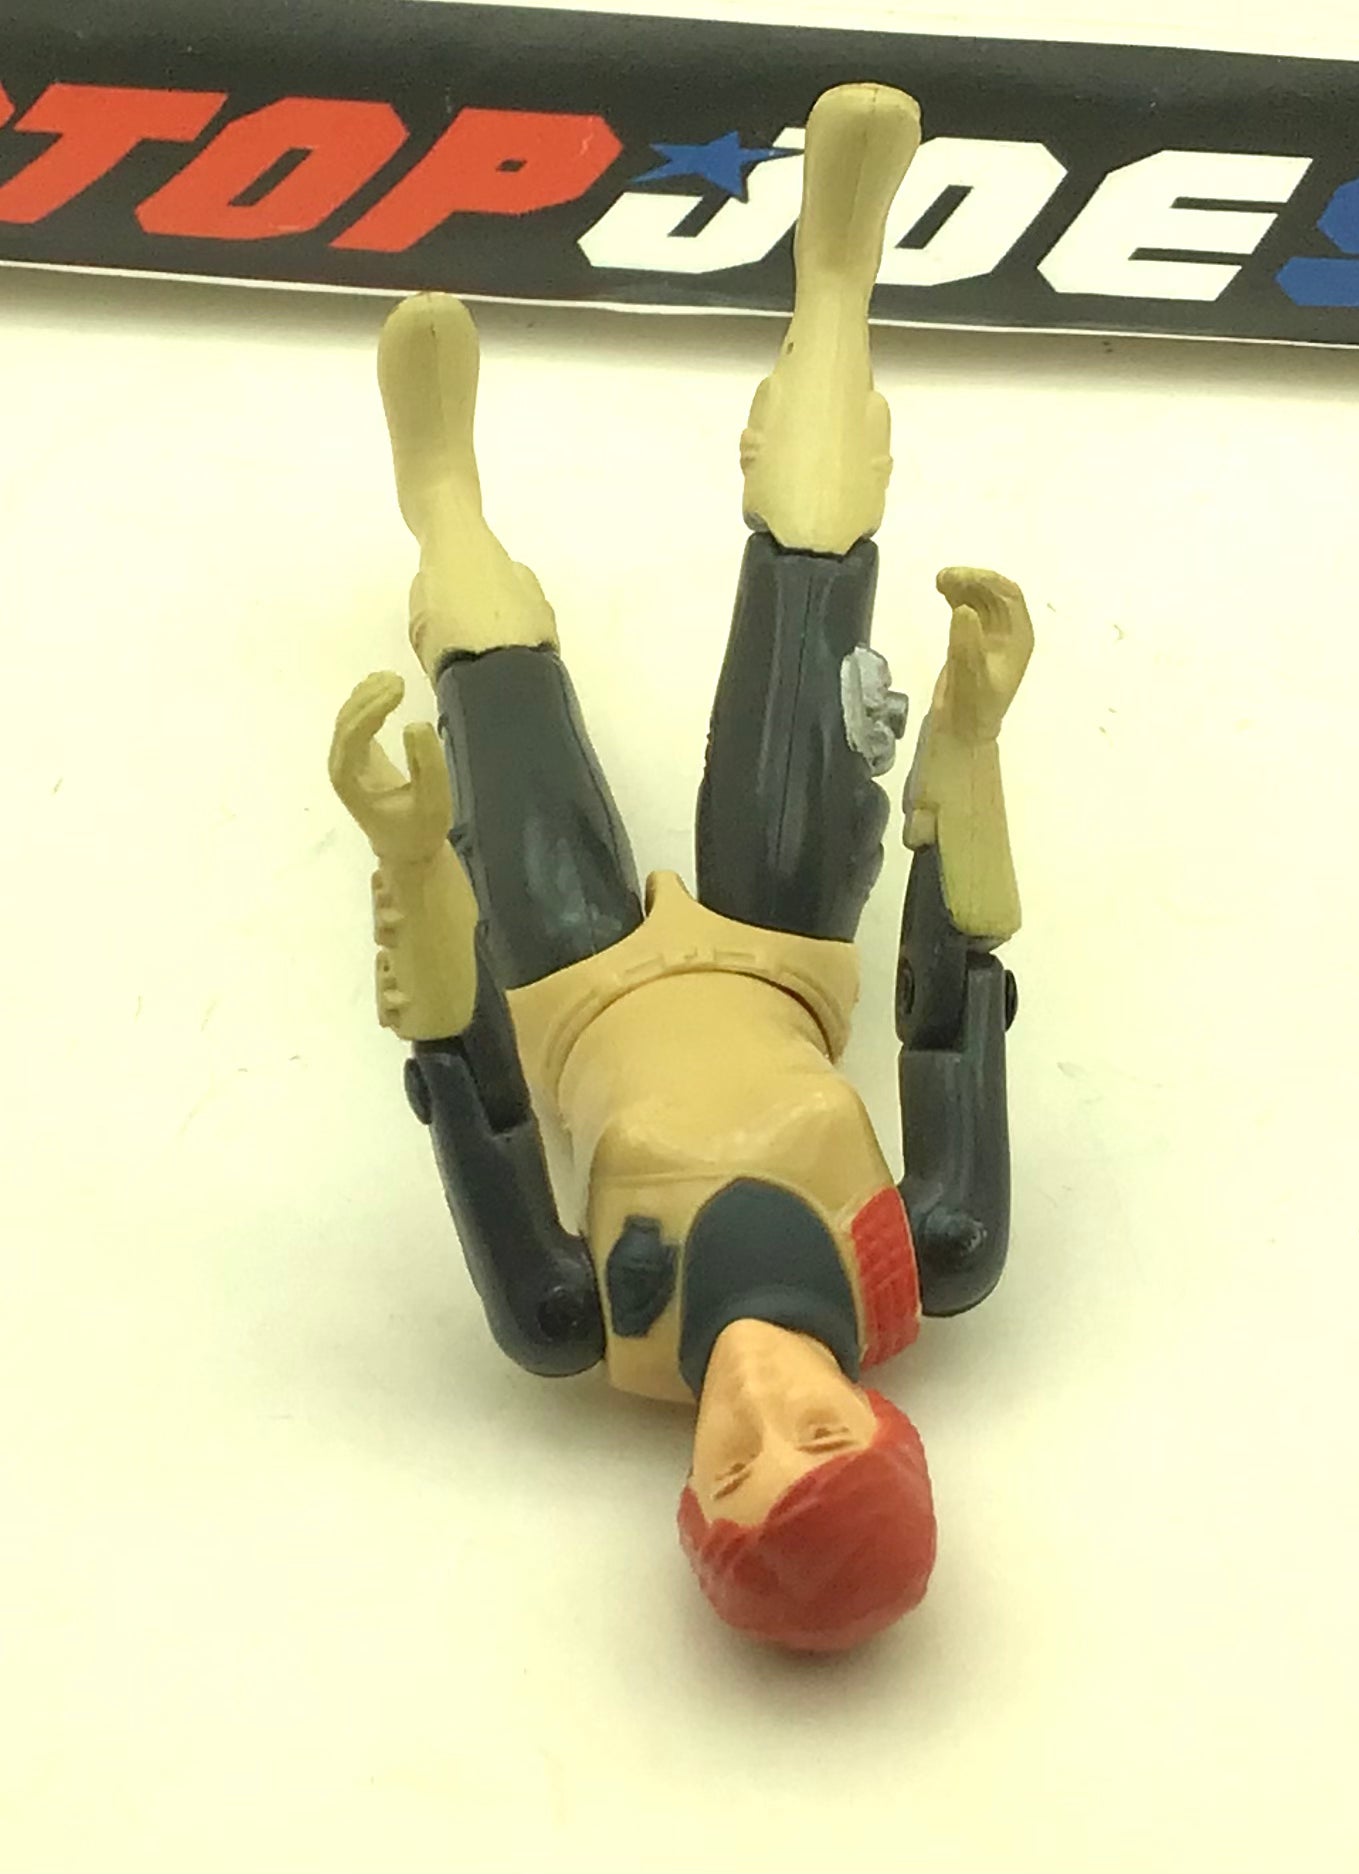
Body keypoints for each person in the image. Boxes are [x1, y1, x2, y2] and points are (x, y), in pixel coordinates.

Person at [328, 83, 1033, 1652]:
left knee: (494, 673)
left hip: (570, 976)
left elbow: (469, 1083)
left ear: (688, 1498)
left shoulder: (572, 1319)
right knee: (812, 599)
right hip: (785, 941)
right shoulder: (935, 1248)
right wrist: (966, 748)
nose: (762, 1405)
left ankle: (440, 495)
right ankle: (837, 282)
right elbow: (954, 998)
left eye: (732, 1463)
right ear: (890, 1421)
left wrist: (418, 869)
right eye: (822, 1433)